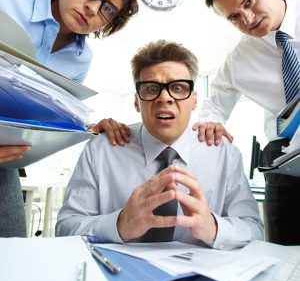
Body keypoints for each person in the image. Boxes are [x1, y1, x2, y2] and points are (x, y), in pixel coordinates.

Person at [56, 40, 263, 249]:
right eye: (151, 88)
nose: (164, 98)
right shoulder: (101, 150)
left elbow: (254, 230)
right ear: (137, 102)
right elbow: (65, 227)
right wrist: (118, 225)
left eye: (179, 88)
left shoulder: (224, 153)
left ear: (194, 100)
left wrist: (214, 228)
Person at [0, 0, 140, 237]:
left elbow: (46, 116)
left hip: (5, 160)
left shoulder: (81, 60)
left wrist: (87, 127)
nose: (92, 7)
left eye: (108, 9)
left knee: (12, 251)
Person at [193, 0, 300, 245]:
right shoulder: (238, 59)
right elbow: (214, 106)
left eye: (249, 3)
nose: (247, 20)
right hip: (287, 158)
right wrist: (211, 123)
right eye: (234, 17)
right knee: (286, 252)